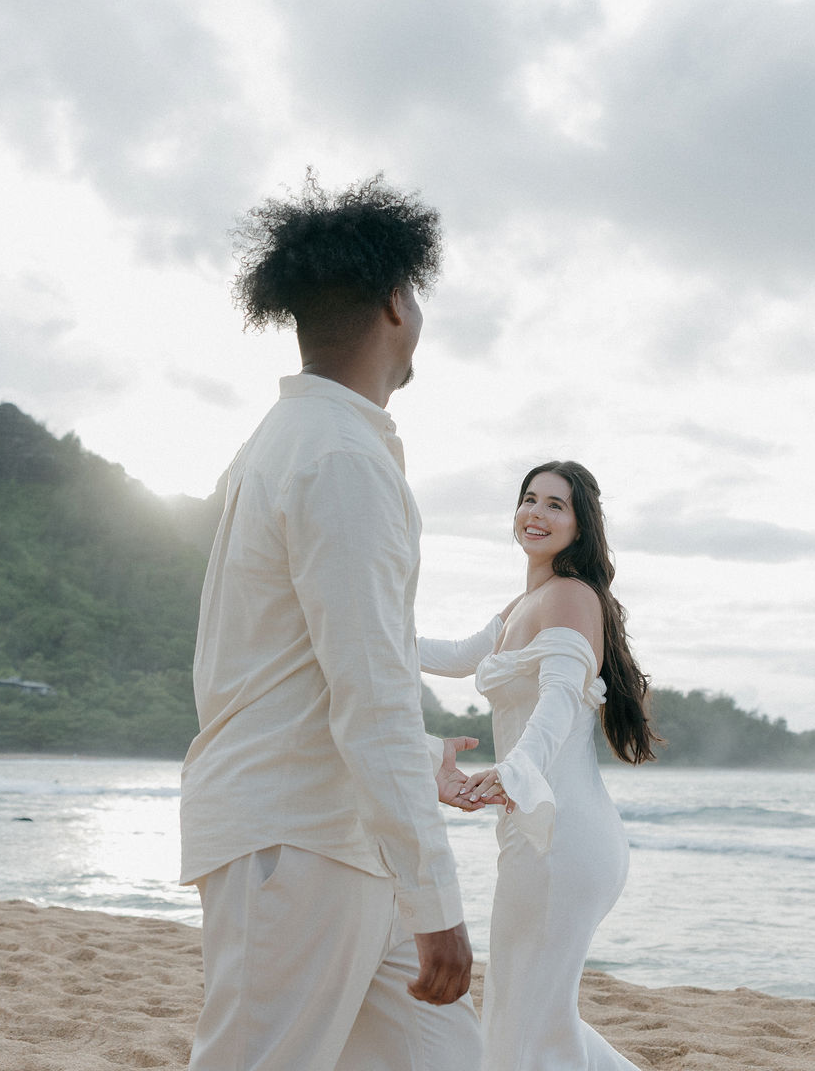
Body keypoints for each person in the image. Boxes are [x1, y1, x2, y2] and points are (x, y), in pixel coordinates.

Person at [180, 173, 489, 1071]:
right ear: (397, 300)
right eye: (417, 293)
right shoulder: (340, 458)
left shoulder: (289, 443)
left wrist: (415, 774)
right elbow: (371, 691)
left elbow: (323, 660)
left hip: (340, 837)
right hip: (297, 841)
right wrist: (438, 900)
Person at [420, 460, 658, 1071]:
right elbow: (450, 656)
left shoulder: (573, 598)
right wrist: (358, 628)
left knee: (527, 1016)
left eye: (558, 504)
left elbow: (557, 700)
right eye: (530, 499)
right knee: (526, 1010)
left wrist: (515, 768)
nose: (538, 513)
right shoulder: (526, 602)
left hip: (564, 834)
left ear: (582, 524)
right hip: (540, 831)